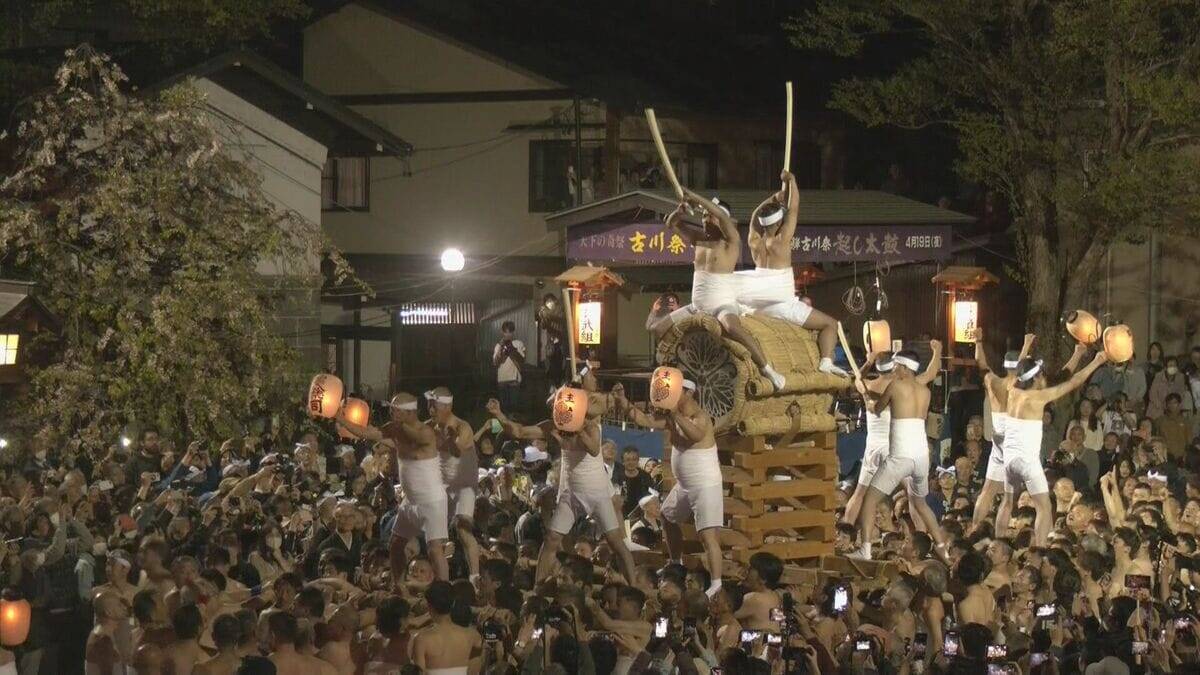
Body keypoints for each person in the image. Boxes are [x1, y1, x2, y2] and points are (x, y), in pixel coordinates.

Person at [643, 190, 788, 390]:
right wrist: (682, 209)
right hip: (697, 306)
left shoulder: (731, 241)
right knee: (658, 328)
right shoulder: (698, 239)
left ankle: (767, 368)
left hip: (722, 304)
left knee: (732, 328)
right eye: (703, 216)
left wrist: (695, 197)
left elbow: (719, 215)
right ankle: (680, 368)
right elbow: (671, 223)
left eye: (708, 215)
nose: (705, 220)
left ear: (722, 219)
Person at [615, 379, 724, 597]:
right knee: (667, 516)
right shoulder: (670, 418)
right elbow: (644, 419)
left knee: (708, 535)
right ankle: (676, 563)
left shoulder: (701, 417)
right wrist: (624, 401)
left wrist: (674, 415)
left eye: (676, 391)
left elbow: (696, 435)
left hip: (705, 484)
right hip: (685, 485)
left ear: (688, 393)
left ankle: (716, 583)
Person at [740, 171, 847, 377]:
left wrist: (773, 199)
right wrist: (792, 181)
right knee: (831, 324)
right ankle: (826, 361)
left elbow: (754, 217)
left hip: (758, 306)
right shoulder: (781, 241)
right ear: (780, 223)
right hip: (782, 305)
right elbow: (794, 208)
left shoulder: (754, 242)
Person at [336, 392, 450, 582]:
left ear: (409, 412)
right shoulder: (395, 430)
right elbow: (367, 433)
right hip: (410, 497)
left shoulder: (426, 432)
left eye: (395, 410)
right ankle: (399, 586)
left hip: (431, 497)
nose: (391, 412)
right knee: (396, 544)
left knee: (434, 549)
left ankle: (443, 587)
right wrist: (341, 418)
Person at [1006, 349, 1108, 545]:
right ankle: (1041, 546)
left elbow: (1054, 375)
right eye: (1041, 374)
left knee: (1007, 503)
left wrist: (1076, 353)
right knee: (1044, 507)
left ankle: (1007, 539)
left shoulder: (1012, 391)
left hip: (1009, 458)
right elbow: (1073, 382)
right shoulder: (1038, 398)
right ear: (1035, 377)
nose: (1044, 377)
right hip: (1027, 460)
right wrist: (1096, 362)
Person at [852, 347, 946, 559]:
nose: (895, 368)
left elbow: (860, 386)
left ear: (902, 367)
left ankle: (861, 545)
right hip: (919, 454)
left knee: (864, 497)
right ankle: (931, 546)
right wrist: (937, 351)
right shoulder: (921, 386)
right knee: (917, 502)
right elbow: (932, 372)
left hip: (888, 450)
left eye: (898, 365)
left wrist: (867, 365)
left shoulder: (881, 384)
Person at [971, 332, 1034, 536]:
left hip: (998, 438)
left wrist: (978, 342)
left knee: (988, 489)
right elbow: (1020, 370)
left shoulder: (993, 382)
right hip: (1011, 439)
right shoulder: (1015, 386)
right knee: (1008, 497)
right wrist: (1026, 345)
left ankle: (974, 529)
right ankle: (999, 537)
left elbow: (981, 364)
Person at [426, 386, 482, 580]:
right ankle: (440, 579)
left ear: (446, 408)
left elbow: (459, 448)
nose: (430, 410)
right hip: (442, 486)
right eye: (429, 406)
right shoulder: (429, 428)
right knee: (435, 535)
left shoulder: (462, 426)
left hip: (464, 486)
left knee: (462, 528)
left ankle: (475, 578)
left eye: (434, 406)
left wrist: (450, 440)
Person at [409, 581, 481, 675]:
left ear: (429, 606)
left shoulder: (421, 639)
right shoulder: (474, 636)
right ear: (453, 603)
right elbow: (474, 672)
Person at [493, 321, 526, 417]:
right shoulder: (498, 345)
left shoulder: (518, 343)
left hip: (514, 380)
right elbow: (495, 362)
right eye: (506, 332)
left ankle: (513, 429)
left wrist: (511, 348)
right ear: (502, 332)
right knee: (503, 408)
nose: (508, 334)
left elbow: (522, 360)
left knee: (513, 408)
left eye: (510, 332)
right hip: (502, 380)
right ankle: (502, 429)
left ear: (513, 332)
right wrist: (501, 347)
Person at [612, 446, 654, 518]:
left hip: (643, 515)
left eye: (634, 459)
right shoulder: (617, 478)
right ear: (623, 462)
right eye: (628, 460)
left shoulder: (646, 477)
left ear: (638, 461)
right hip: (622, 516)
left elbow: (652, 498)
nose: (631, 462)